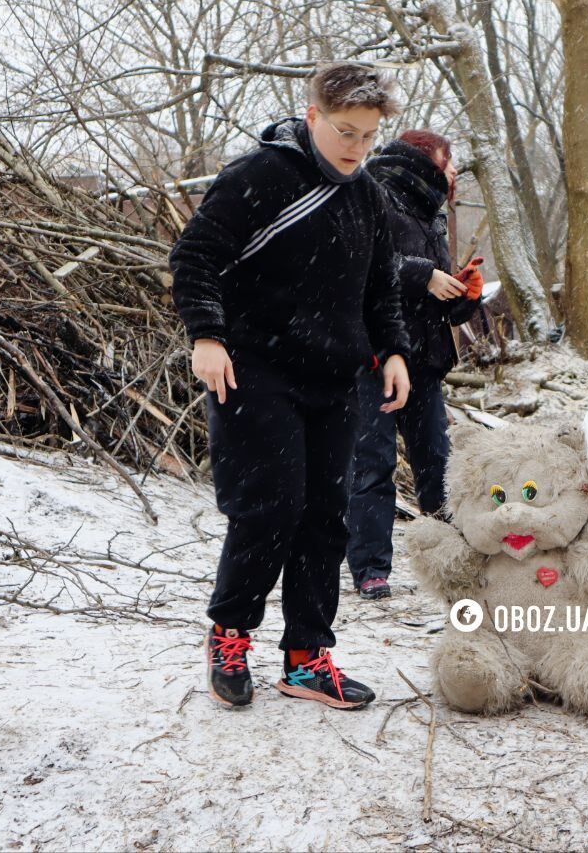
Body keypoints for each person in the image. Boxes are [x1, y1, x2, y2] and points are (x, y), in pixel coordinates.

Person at [170, 62, 412, 711]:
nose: (356, 148)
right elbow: (196, 256)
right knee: (268, 510)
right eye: (345, 131)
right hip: (256, 370)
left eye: (368, 135)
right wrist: (207, 335)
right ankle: (230, 634)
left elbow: (380, 288)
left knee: (323, 520)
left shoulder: (368, 197)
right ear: (312, 117)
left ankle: (307, 658)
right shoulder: (259, 177)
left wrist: (393, 350)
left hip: (334, 380)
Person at [345, 130, 482, 600]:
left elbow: (441, 303)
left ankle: (447, 560)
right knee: (373, 465)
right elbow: (361, 266)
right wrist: (424, 276)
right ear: (424, 162)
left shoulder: (432, 214)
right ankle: (369, 569)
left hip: (425, 361)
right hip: (375, 358)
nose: (455, 170)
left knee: (438, 465)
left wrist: (465, 293)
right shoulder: (372, 196)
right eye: (449, 160)